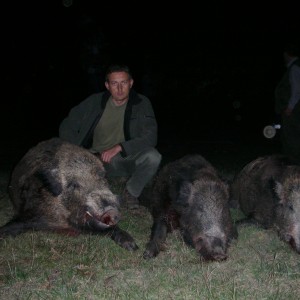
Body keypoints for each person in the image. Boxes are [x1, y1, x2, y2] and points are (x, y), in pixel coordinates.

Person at [59, 64, 162, 209]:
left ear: (131, 83)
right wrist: (78, 151)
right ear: (107, 85)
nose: (119, 89)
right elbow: (67, 125)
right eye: (114, 83)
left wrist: (120, 147)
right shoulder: (94, 102)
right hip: (95, 160)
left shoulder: (141, 103)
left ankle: (131, 194)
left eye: (123, 83)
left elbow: (151, 137)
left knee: (153, 157)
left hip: (123, 159)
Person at [274, 43, 300, 164]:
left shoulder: (295, 67)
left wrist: (289, 107)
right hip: (293, 110)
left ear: (287, 54)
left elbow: (296, 90)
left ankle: (293, 168)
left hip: (293, 111)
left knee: (291, 139)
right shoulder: (294, 67)